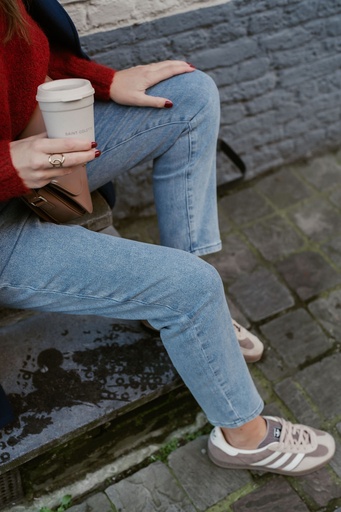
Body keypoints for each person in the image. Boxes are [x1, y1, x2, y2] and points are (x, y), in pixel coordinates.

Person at [0, 0, 335, 476]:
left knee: (191, 94)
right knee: (191, 286)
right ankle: (244, 439)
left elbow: (27, 62)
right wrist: (7, 166)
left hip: (39, 156)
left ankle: (187, 322)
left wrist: (105, 80)